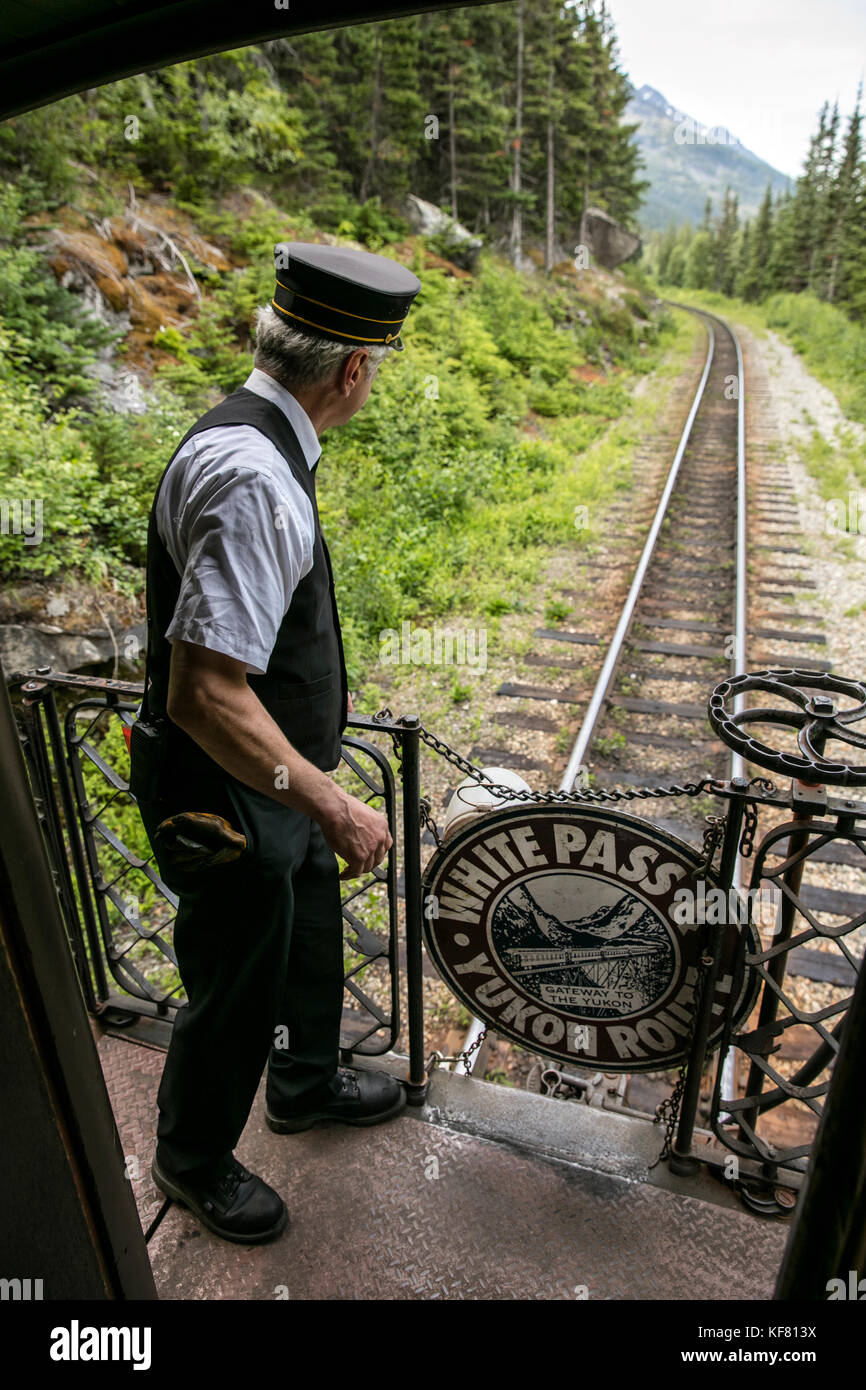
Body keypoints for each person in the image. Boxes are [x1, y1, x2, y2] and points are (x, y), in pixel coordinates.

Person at [129, 241, 422, 1244]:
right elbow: (206, 693)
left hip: (271, 784)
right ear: (352, 370)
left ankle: (301, 1079)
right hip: (225, 788)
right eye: (374, 367)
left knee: (299, 931)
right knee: (234, 977)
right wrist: (334, 801)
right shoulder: (257, 477)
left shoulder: (254, 440)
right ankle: (191, 1157)